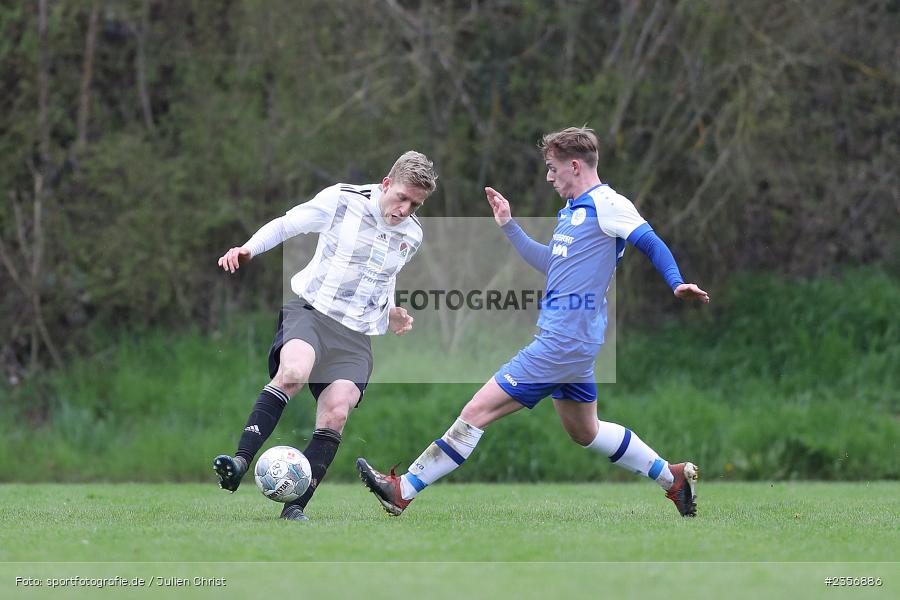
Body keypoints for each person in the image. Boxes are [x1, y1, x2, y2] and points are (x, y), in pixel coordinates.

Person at [357, 127, 710, 517]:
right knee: (585, 431)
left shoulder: (608, 204)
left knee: (476, 413)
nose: (548, 177)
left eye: (553, 168)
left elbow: (650, 241)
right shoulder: (573, 212)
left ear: (574, 166)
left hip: (562, 342)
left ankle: (403, 490)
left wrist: (676, 282)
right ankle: (672, 478)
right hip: (576, 343)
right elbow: (552, 264)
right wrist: (509, 225)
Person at [213, 151, 437, 521]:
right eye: (401, 198)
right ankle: (239, 462)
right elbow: (286, 225)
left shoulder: (412, 235)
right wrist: (249, 248)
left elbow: (383, 276)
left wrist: (390, 311)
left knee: (337, 411)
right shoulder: (341, 200)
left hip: (354, 336)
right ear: (386, 184)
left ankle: (294, 508)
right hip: (312, 313)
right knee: (293, 372)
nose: (405, 210)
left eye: (415, 204)